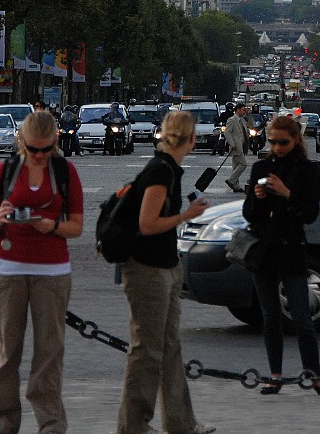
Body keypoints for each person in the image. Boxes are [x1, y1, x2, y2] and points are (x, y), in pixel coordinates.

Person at [0, 109, 84, 434]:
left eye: (46, 149)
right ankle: (0, 421)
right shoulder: (7, 170)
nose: (40, 156)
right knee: (8, 351)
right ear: (22, 141)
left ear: (55, 142)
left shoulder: (65, 172)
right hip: (7, 269)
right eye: (33, 149)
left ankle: (51, 424)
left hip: (52, 271)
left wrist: (51, 226)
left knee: (49, 351)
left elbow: (77, 227)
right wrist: (1, 219)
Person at [117, 110, 215, 434]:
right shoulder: (161, 171)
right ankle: (134, 426)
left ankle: (180, 422)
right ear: (190, 138)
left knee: (170, 346)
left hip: (166, 266)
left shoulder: (169, 168)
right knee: (147, 350)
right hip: (148, 268)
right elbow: (148, 224)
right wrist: (187, 214)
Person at [242, 114, 320, 397]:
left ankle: (315, 374)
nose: (276, 147)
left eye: (282, 142)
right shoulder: (261, 166)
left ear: (295, 140)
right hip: (264, 249)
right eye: (272, 141)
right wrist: (258, 198)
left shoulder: (307, 170)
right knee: (270, 315)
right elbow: (249, 213)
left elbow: (310, 214)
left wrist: (286, 193)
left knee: (302, 317)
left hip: (291, 248)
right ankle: (275, 375)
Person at [224, 102, 249, 193]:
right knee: (243, 164)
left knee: (236, 166)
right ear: (237, 110)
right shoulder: (232, 120)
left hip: (241, 145)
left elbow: (246, 129)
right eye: (243, 110)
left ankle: (235, 185)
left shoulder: (242, 120)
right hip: (236, 146)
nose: (244, 112)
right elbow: (227, 132)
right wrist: (232, 143)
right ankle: (231, 180)